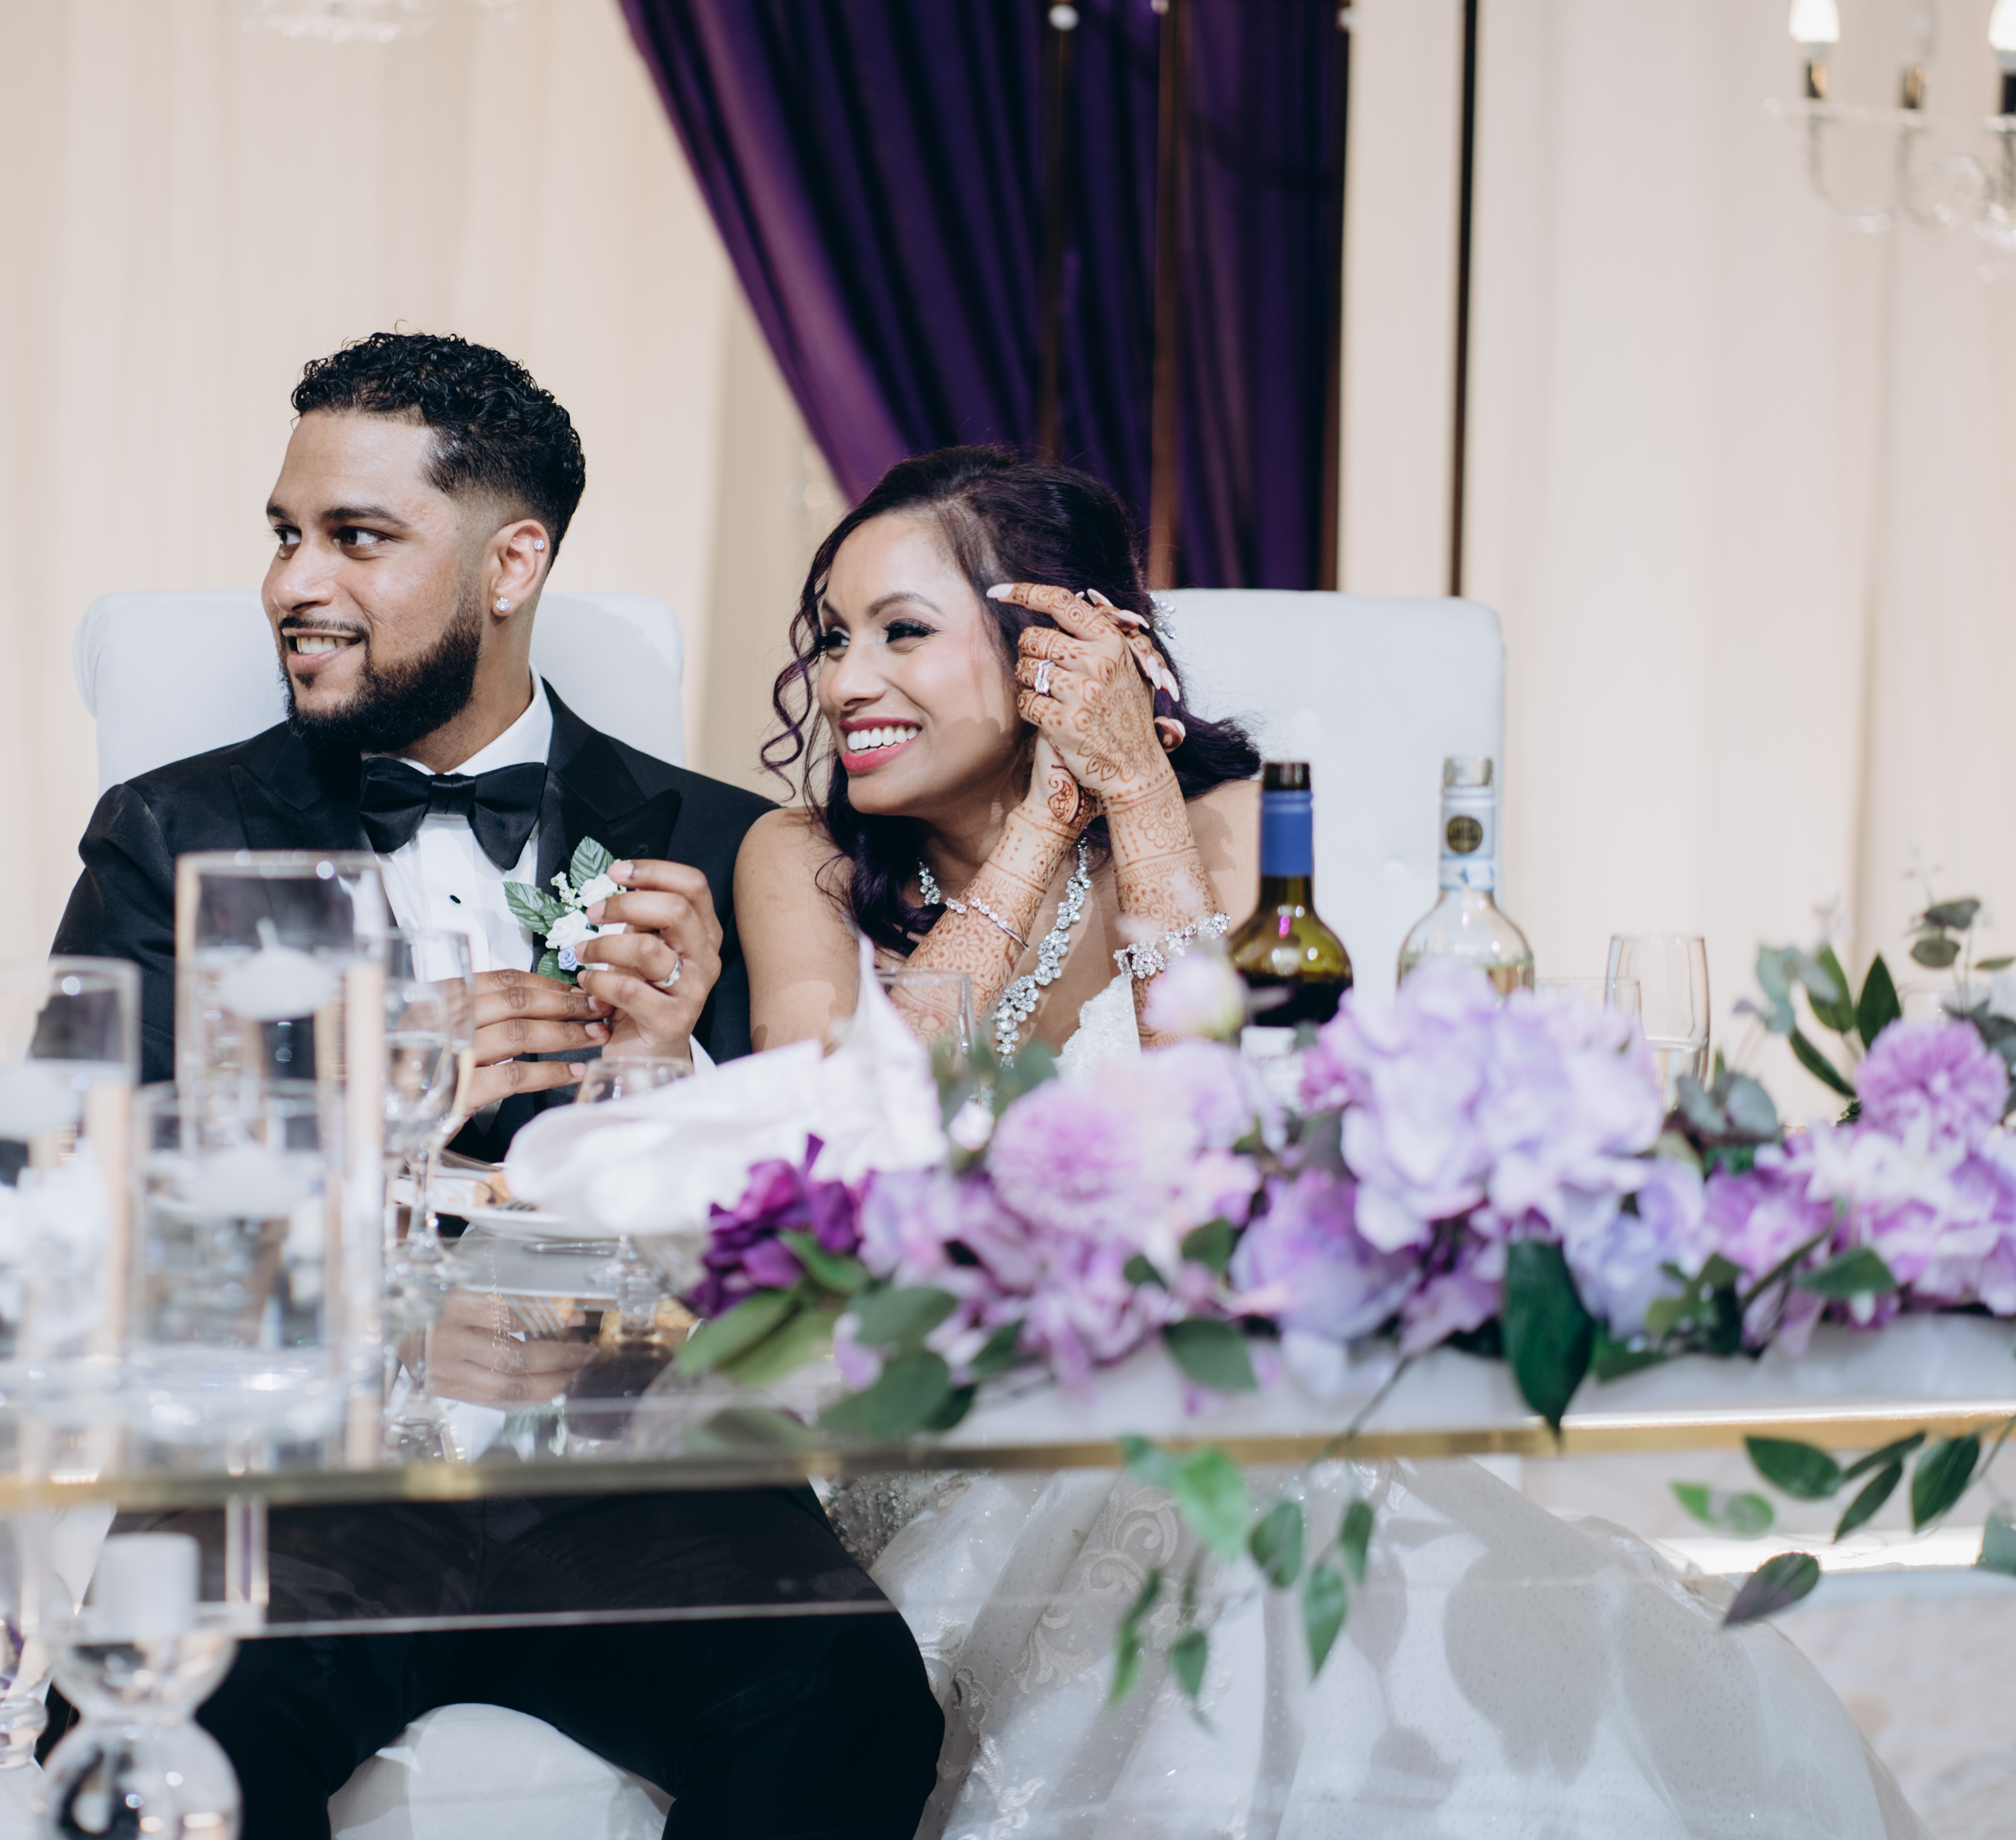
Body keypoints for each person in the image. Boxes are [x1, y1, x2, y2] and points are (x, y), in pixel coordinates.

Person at [732, 446, 1925, 1839]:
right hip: (936, 1427)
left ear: (1059, 646)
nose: (847, 681)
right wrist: (1046, 819)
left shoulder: (1229, 828)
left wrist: (1134, 801)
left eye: (901, 632)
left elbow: (1226, 1131)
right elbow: (850, 1148)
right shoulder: (799, 861)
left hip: (1193, 1396)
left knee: (1273, 1499)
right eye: (832, 637)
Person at [50, 332, 942, 1839]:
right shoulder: (167, 832)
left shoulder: (723, 843)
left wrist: (672, 1060)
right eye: (284, 533)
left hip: (639, 1478)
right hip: (292, 1477)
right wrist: (355, 1100)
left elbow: (815, 1222)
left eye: (356, 537)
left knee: (846, 1703)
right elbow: (86, 1187)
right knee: (149, 1733)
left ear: (511, 563)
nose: (290, 582)